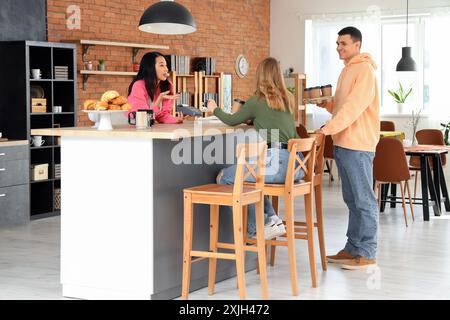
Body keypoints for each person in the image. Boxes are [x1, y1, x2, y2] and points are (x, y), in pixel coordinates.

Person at [206, 57, 304, 240]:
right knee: (249, 178)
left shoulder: (256, 101)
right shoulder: (288, 99)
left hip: (277, 164)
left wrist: (215, 109)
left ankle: (255, 228)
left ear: (260, 75)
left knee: (226, 176)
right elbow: (274, 122)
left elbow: (231, 120)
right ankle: (273, 219)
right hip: (296, 165)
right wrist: (255, 120)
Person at [316, 27, 380, 270]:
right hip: (344, 143)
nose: (339, 48)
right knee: (352, 200)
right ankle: (352, 248)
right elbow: (344, 105)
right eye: (337, 44)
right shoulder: (347, 70)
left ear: (356, 45)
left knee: (364, 200)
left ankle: (367, 251)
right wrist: (329, 105)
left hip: (358, 145)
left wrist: (327, 128)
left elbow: (354, 107)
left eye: (343, 44)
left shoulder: (364, 70)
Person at [127, 52, 183, 124]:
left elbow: (162, 116)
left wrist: (175, 120)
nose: (166, 69)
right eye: (161, 65)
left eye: (166, 65)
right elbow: (143, 118)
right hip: (133, 126)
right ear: (151, 68)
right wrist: (159, 100)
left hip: (150, 127)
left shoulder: (167, 86)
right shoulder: (138, 86)